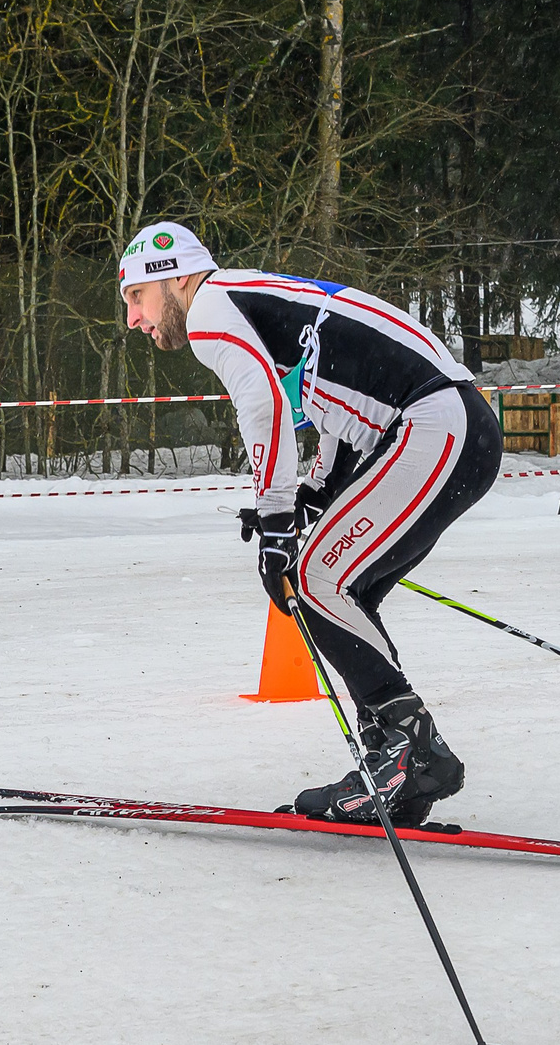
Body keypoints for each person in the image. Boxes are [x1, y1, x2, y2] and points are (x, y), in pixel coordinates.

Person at [118, 221, 504, 825]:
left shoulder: (213, 309)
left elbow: (263, 405)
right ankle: (396, 761)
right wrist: (313, 491)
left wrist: (275, 519)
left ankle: (410, 749)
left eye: (137, 297)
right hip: (453, 423)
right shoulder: (259, 299)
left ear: (175, 277)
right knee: (343, 589)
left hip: (434, 423)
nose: (135, 319)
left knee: (316, 576)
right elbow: (340, 403)